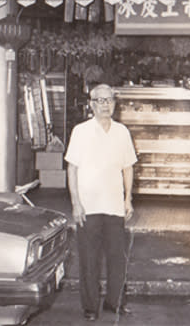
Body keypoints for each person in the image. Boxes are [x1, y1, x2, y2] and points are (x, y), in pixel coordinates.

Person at [65, 83, 137, 321]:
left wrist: (128, 198)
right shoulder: (81, 131)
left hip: (114, 205)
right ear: (92, 104)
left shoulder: (122, 132)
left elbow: (128, 167)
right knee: (89, 259)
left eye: (109, 100)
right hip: (88, 206)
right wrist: (76, 202)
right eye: (100, 100)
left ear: (115, 104)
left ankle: (114, 302)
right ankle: (90, 306)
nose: (106, 105)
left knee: (117, 258)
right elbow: (72, 169)